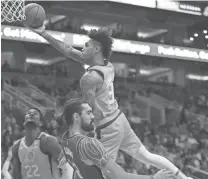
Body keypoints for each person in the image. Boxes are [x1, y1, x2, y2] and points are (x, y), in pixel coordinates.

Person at [26, 24, 189, 179]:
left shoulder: (89, 79)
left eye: (87, 45)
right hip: (119, 118)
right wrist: (43, 32)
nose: (83, 47)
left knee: (102, 172)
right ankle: (182, 176)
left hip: (107, 128)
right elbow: (68, 51)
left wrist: (81, 128)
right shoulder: (107, 65)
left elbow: (90, 111)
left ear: (97, 49)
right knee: (146, 156)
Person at [58, 98, 176, 179]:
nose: (93, 116)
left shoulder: (65, 140)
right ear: (76, 117)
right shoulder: (89, 144)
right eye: (88, 113)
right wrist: (153, 178)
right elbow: (120, 177)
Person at [11, 108, 73, 179]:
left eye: (35, 113)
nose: (31, 114)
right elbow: (16, 175)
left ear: (40, 123)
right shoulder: (17, 146)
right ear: (24, 122)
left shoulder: (48, 141)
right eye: (29, 113)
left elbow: (66, 166)